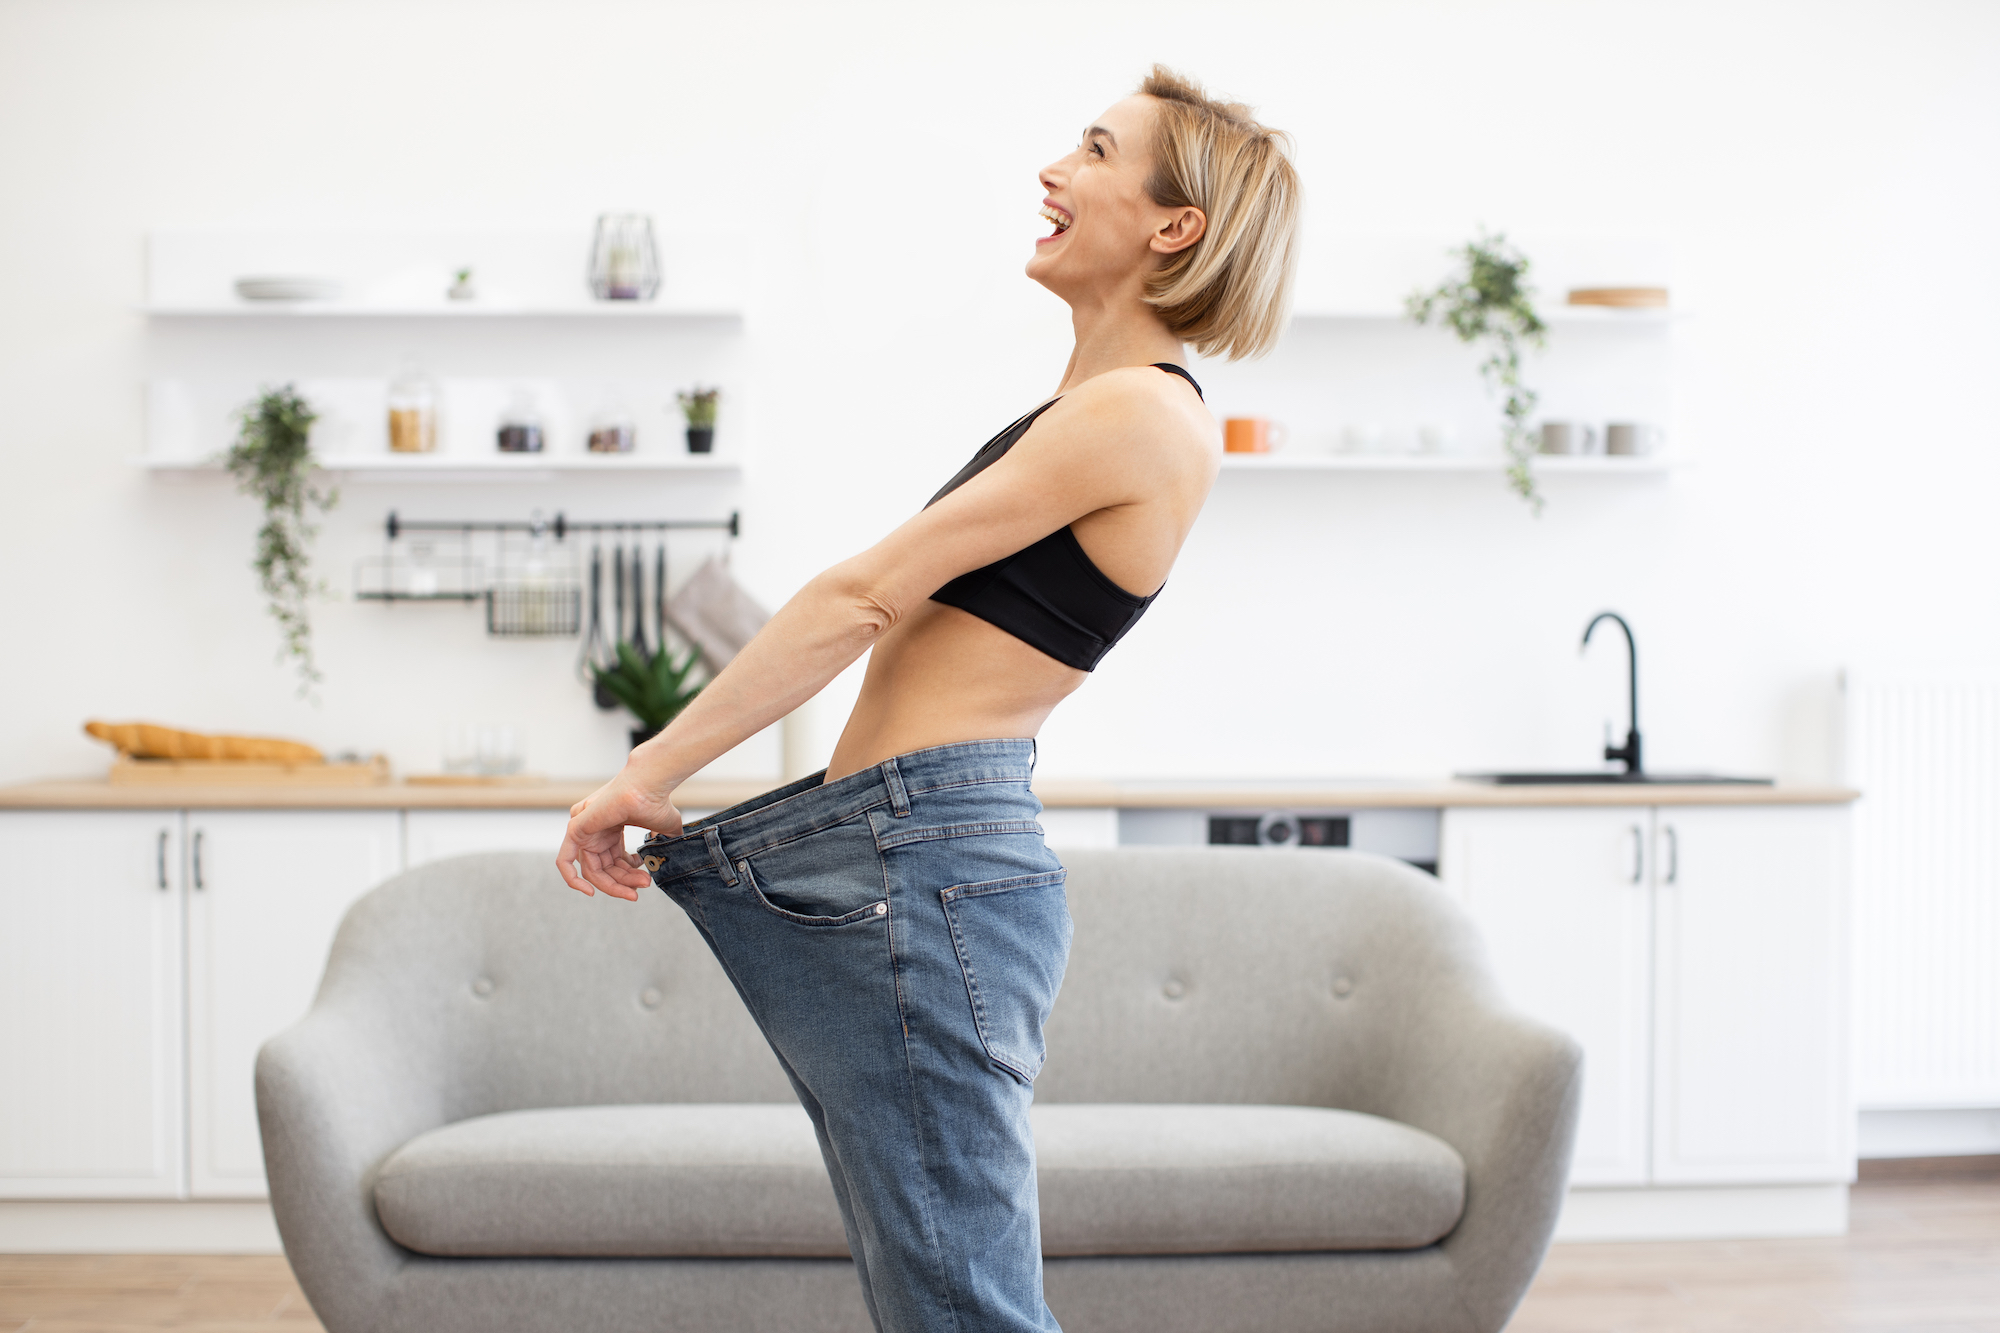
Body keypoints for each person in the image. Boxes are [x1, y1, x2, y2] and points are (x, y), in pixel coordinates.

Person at [557, 64, 1300, 1333]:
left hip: (927, 857)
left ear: (1174, 225)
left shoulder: (1135, 415)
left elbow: (861, 596)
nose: (1053, 172)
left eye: (1094, 150)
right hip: (911, 851)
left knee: (963, 1310)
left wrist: (651, 768)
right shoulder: (1098, 409)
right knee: (940, 1304)